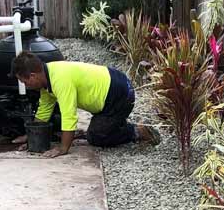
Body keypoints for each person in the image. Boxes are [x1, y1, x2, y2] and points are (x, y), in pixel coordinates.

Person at [12, 52, 159, 158]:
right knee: (94, 131)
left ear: (33, 76)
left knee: (96, 137)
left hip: (121, 94)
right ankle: (114, 124)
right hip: (111, 91)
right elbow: (44, 111)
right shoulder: (47, 76)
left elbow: (69, 116)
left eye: (25, 82)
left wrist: (63, 148)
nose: (26, 86)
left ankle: (136, 131)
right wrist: (31, 138)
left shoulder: (60, 80)